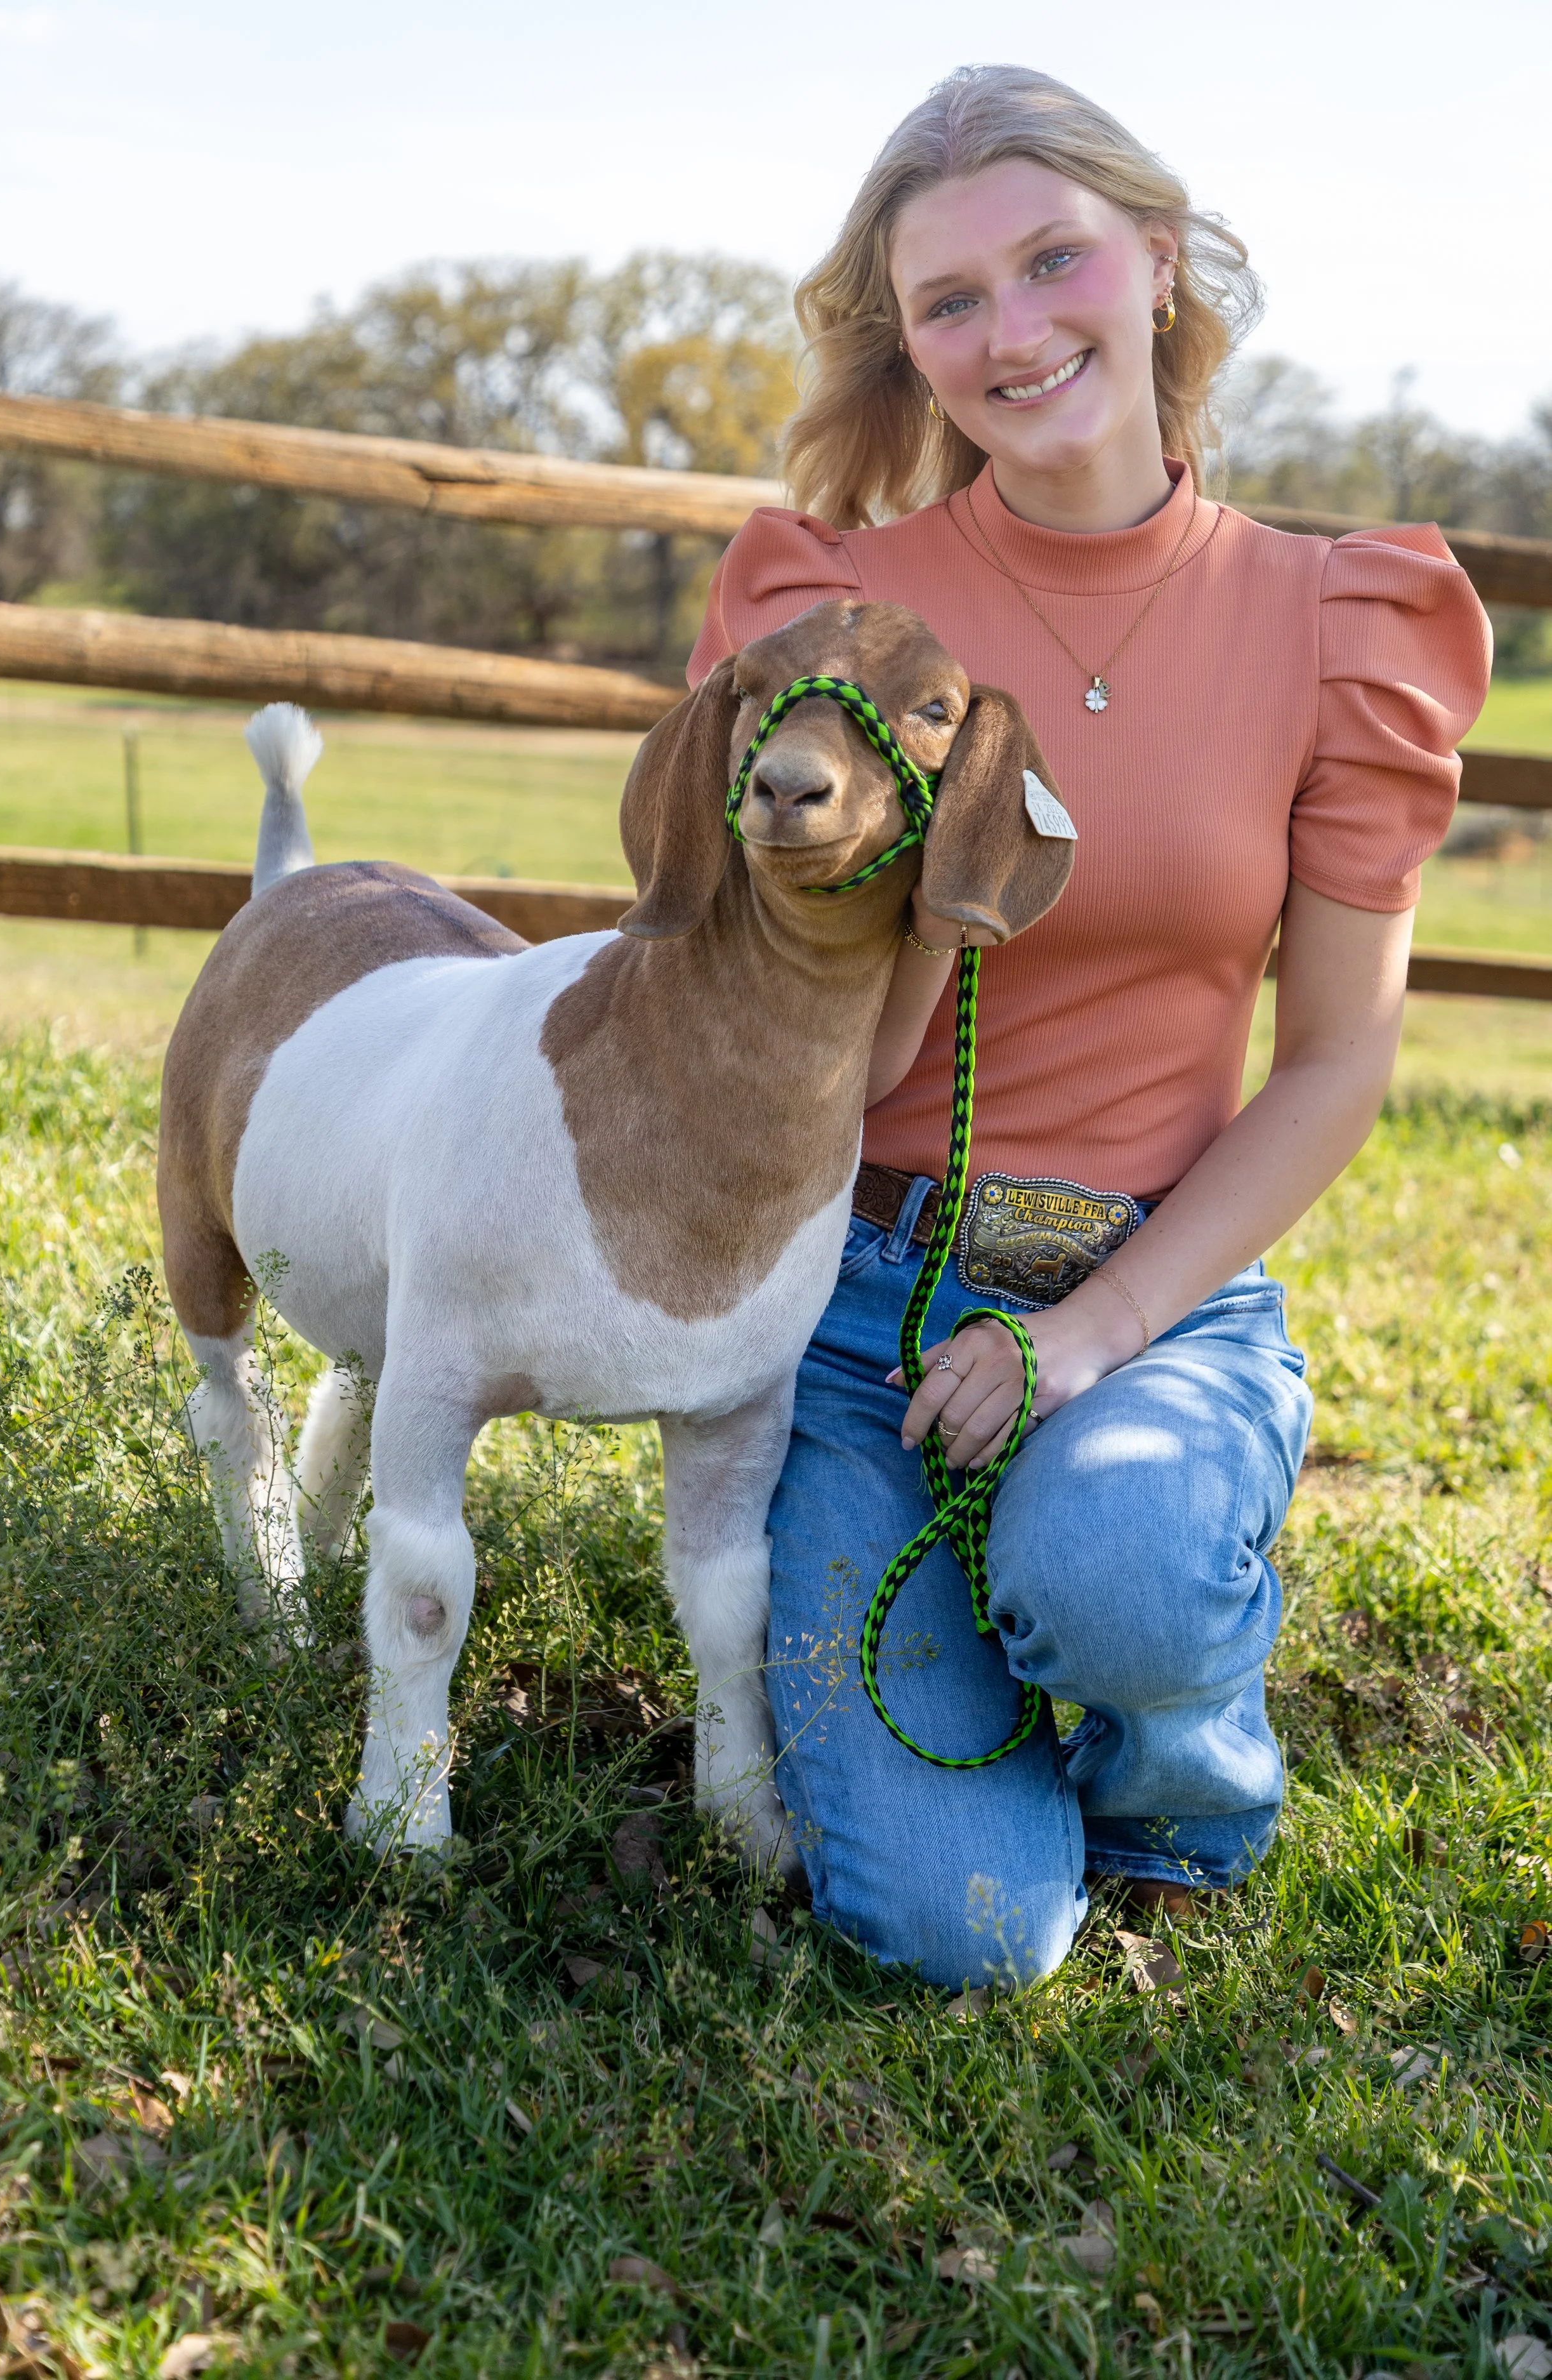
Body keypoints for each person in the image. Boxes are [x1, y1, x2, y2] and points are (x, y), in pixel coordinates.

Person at [687, 64, 1490, 1991]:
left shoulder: (1332, 620)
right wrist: (934, 900)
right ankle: (988, 1627)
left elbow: (1331, 1067)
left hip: (1157, 1290)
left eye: (1051, 261)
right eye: (946, 302)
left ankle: (1175, 1781)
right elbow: (775, 1053)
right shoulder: (838, 611)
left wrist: (1089, 1336)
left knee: (1116, 1574)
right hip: (859, 1308)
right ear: (907, 347)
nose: (1010, 332)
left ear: (1153, 255)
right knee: (955, 1934)